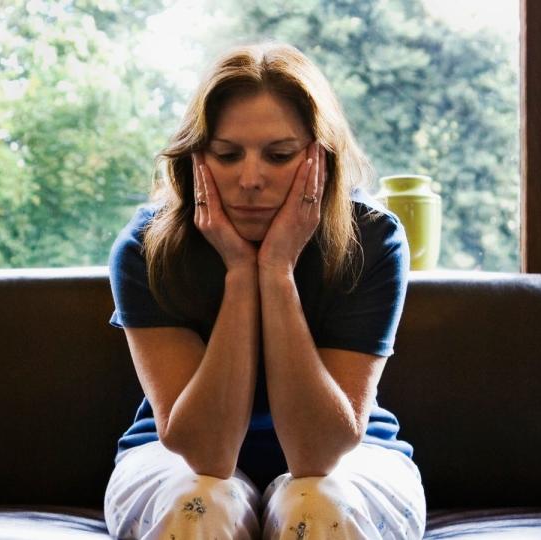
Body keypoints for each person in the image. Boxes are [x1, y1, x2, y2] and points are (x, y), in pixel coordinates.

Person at [104, 42, 426, 539]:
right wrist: (239, 273)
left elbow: (317, 455)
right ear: (196, 158)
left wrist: (276, 272)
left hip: (355, 456)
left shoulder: (373, 240)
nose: (250, 179)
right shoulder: (146, 246)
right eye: (227, 155)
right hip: (172, 457)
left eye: (279, 156)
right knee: (199, 503)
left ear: (322, 157)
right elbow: (208, 455)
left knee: (317, 504)